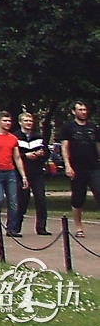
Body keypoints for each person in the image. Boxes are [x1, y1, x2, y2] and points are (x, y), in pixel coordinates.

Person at [64, 100, 99, 238]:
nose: (83, 112)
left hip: (94, 167)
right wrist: (68, 165)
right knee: (78, 198)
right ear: (74, 111)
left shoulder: (93, 127)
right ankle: (79, 226)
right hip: (77, 168)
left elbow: (98, 146)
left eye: (85, 110)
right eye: (80, 110)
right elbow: (65, 147)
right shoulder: (68, 127)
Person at [19, 112, 52, 236]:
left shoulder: (38, 137)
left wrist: (40, 154)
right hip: (23, 172)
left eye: (30, 121)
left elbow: (47, 152)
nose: (28, 123)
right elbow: (13, 155)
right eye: (26, 121)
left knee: (41, 199)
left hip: (37, 172)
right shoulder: (15, 137)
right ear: (21, 122)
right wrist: (25, 156)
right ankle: (15, 227)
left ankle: (41, 227)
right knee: (22, 200)